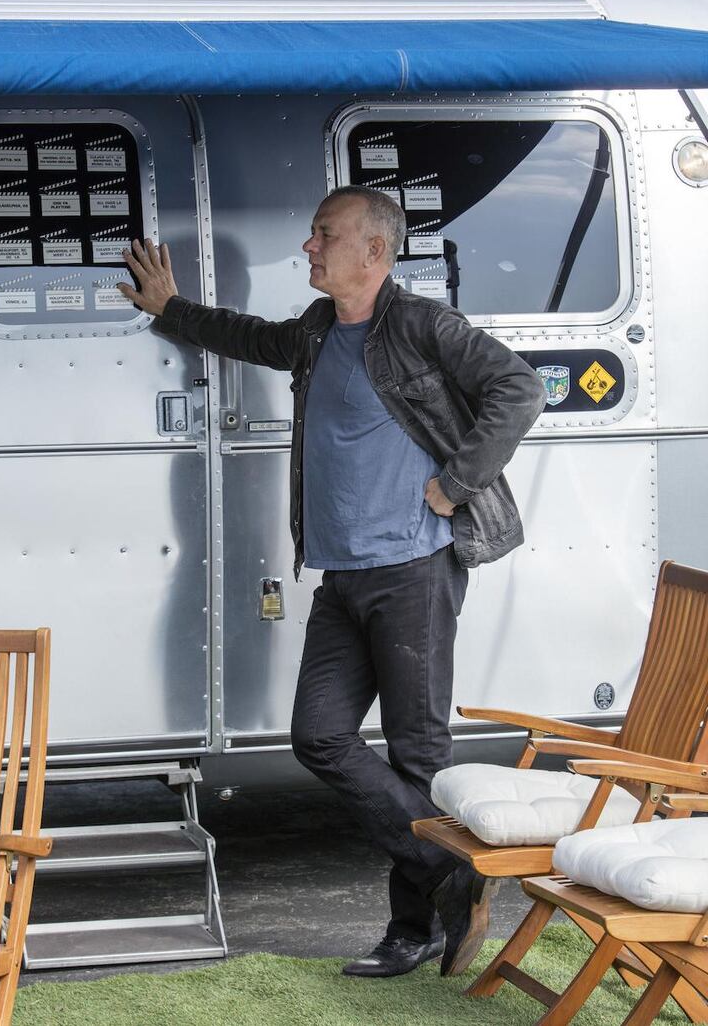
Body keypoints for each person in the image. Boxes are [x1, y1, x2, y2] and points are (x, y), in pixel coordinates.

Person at [117, 187, 546, 979]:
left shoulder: (421, 325)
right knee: (318, 736)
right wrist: (172, 309)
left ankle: (411, 930)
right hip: (342, 575)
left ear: (374, 251)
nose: (309, 247)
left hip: (414, 569)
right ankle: (450, 871)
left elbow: (520, 388)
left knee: (417, 755)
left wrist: (457, 483)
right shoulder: (319, 328)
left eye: (324, 234)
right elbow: (251, 337)